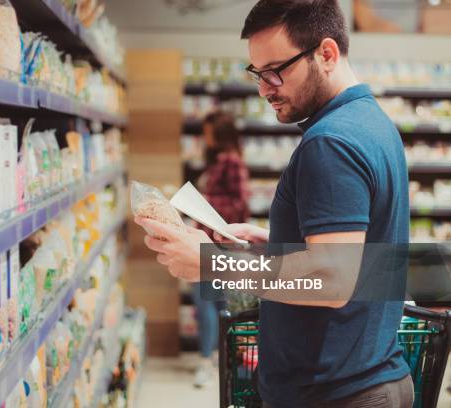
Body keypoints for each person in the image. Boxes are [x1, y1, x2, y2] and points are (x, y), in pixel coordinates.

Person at [134, 0, 414, 407]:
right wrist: (275, 241)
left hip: (338, 392)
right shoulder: (370, 122)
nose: (264, 88)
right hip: (359, 380)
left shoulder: (330, 142)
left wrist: (214, 263)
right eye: (257, 74)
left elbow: (332, 281)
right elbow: (358, 255)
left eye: (275, 72)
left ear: (327, 54)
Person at [191, 111, 250, 388]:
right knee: (214, 304)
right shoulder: (216, 160)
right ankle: (216, 359)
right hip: (210, 242)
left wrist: (204, 201)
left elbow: (239, 204)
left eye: (208, 130)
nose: (205, 136)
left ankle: (211, 360)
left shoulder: (232, 162)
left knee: (209, 304)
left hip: (219, 245)